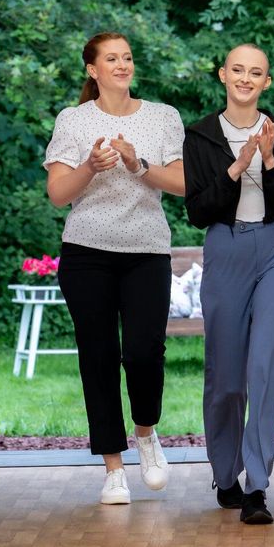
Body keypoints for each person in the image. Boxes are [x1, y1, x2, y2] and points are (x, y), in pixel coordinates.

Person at [44, 32, 186, 505]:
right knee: (98, 358)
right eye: (112, 58)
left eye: (127, 57)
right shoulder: (74, 120)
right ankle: (113, 467)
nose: (122, 64)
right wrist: (89, 167)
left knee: (144, 352)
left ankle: (146, 434)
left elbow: (184, 184)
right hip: (87, 253)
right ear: (93, 70)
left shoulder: (163, 117)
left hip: (146, 252)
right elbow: (59, 194)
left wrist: (137, 162)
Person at [183, 43, 274, 524]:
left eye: (256, 73)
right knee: (228, 379)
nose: (246, 78)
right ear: (223, 75)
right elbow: (198, 211)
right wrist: (237, 167)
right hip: (226, 248)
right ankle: (226, 473)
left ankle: (257, 485)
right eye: (238, 70)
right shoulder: (201, 136)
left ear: (267, 82)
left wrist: (270, 160)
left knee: (262, 370)